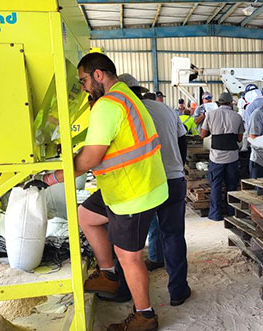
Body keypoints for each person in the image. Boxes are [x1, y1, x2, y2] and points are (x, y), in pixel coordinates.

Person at [39, 53, 167, 330]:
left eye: (84, 80)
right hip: (128, 183)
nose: (83, 87)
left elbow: (90, 159)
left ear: (98, 75)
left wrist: (53, 177)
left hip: (133, 191)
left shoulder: (108, 105)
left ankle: (145, 316)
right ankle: (108, 274)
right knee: (85, 215)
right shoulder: (124, 95)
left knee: (129, 256)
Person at [118, 76, 191, 308]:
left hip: (144, 184)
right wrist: (177, 164)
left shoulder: (123, 114)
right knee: (174, 235)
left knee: (131, 242)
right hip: (174, 179)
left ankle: (128, 292)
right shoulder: (165, 108)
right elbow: (182, 141)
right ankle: (178, 290)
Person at [200, 93, 244, 221]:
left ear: (219, 103)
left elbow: (203, 134)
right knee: (231, 185)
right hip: (232, 157)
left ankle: (215, 214)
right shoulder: (237, 116)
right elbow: (240, 138)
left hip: (216, 157)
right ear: (231, 103)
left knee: (216, 185)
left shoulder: (211, 115)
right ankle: (231, 213)